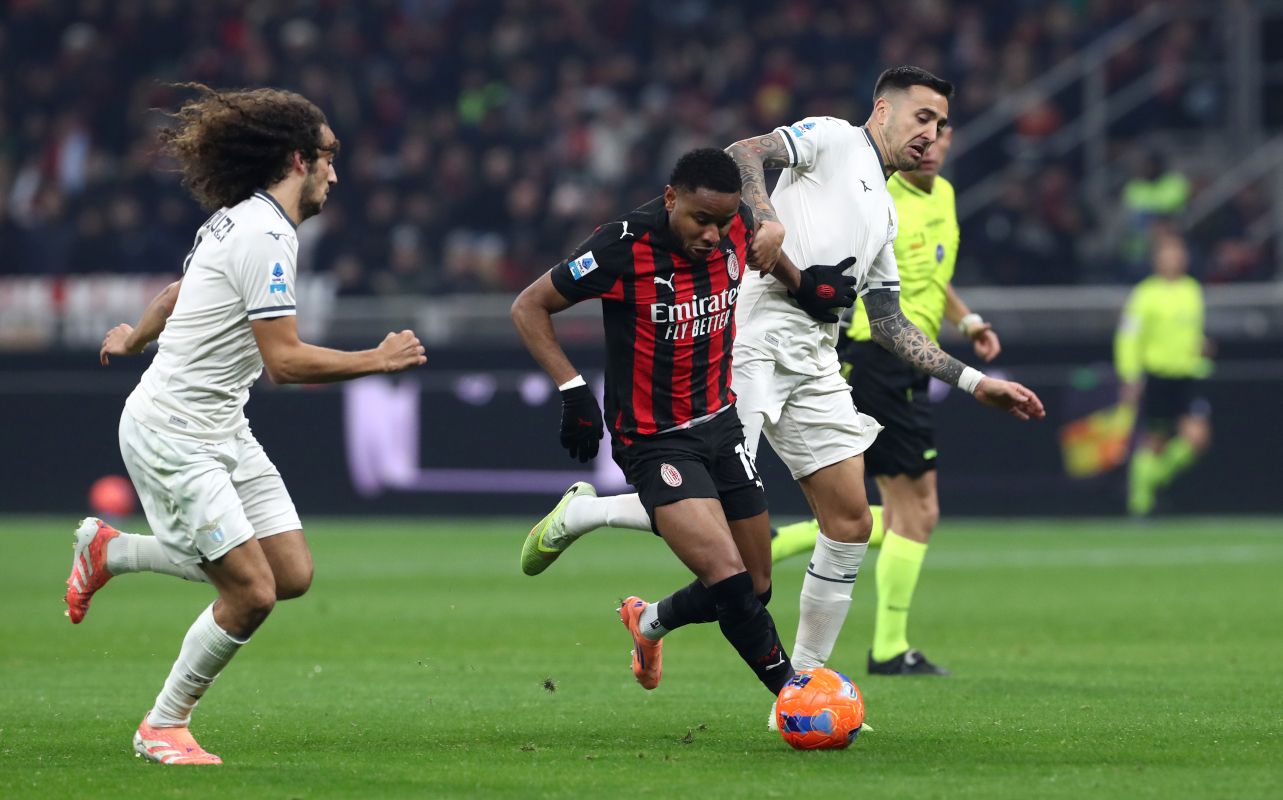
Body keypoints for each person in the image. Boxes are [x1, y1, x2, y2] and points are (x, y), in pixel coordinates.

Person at [517, 67, 1044, 713]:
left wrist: (971, 380)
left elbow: (885, 321)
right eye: (921, 117)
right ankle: (591, 515)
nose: (931, 134)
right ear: (883, 111)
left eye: (941, 125)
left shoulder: (884, 211)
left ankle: (797, 688)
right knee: (717, 532)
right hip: (749, 334)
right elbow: (745, 153)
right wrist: (765, 221)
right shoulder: (830, 138)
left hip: (817, 360)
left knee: (848, 522)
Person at [62, 85, 426, 765]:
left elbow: (180, 292)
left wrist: (135, 339)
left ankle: (111, 552)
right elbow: (284, 364)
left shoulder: (240, 221)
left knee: (289, 574)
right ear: (297, 159)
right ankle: (162, 725)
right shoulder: (264, 236)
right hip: (174, 431)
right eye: (329, 158)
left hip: (221, 426)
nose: (336, 175)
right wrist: (377, 359)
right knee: (252, 593)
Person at [511, 147, 852, 700]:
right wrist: (574, 392)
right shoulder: (622, 246)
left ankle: (649, 622)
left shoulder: (737, 222)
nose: (714, 235)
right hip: (654, 440)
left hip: (721, 424)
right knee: (727, 576)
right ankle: (796, 696)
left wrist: (805, 286)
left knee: (756, 586)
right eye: (701, 220)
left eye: (723, 222)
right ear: (671, 199)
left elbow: (768, 258)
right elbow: (529, 306)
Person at [769, 124, 1002, 676]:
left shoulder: (941, 196)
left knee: (881, 510)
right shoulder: (879, 190)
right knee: (918, 510)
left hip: (910, 360)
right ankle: (890, 648)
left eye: (943, 134)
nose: (931, 146)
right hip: (881, 355)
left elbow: (925, 272)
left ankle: (776, 542)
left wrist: (965, 319)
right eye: (922, 132)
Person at [1116, 231, 1211, 516]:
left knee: (1197, 437)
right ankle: (1140, 501)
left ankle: (1149, 480)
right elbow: (1128, 337)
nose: (1174, 259)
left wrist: (1202, 347)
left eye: (1178, 254)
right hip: (1158, 375)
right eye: (1168, 254)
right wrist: (1130, 375)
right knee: (1155, 441)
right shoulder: (1145, 294)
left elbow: (1192, 332)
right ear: (1157, 260)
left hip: (1188, 375)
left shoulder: (1193, 290)